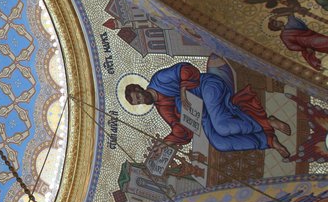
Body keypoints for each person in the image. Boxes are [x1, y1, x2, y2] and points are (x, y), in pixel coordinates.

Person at [124, 59, 291, 159]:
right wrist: (163, 145)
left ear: (139, 89)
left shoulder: (159, 79)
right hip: (202, 113)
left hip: (206, 87)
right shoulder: (161, 108)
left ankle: (267, 122)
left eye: (138, 97)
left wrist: (183, 91)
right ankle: (268, 140)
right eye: (138, 103)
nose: (141, 101)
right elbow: (179, 129)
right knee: (220, 143)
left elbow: (185, 69)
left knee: (222, 126)